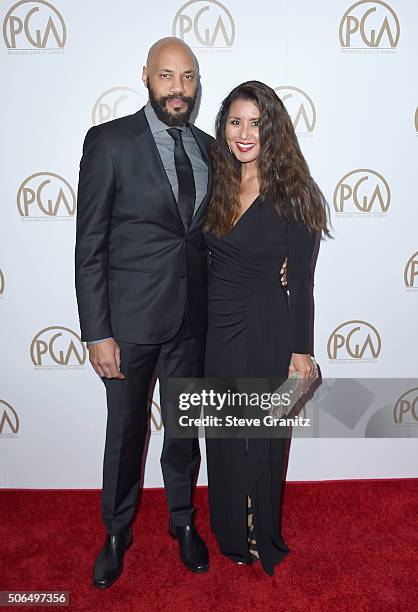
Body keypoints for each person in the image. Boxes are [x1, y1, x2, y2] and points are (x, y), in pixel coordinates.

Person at [75, 37, 215, 587]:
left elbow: (216, 234)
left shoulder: (210, 147)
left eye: (188, 77)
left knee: (185, 430)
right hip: (129, 323)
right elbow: (90, 244)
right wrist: (97, 331)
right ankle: (116, 531)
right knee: (125, 433)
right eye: (167, 76)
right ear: (146, 77)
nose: (178, 88)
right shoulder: (110, 142)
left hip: (191, 322)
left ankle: (183, 522)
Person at [203, 81, 330, 576]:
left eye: (256, 122)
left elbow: (301, 282)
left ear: (272, 128)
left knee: (262, 433)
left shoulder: (293, 194)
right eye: (235, 122)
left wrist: (301, 353)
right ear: (224, 129)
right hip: (217, 324)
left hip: (265, 324)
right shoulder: (215, 182)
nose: (244, 132)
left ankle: (260, 527)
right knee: (225, 433)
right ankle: (232, 530)